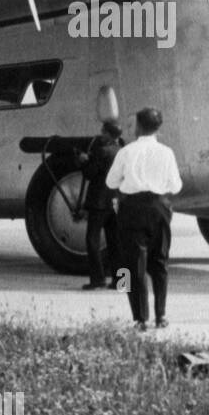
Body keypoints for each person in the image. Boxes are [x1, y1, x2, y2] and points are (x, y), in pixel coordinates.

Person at [105, 106, 183, 330]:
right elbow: (176, 185)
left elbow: (111, 182)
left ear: (138, 126)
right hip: (160, 208)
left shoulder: (127, 151)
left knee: (132, 265)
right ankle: (161, 316)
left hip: (132, 209)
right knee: (160, 263)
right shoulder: (167, 152)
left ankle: (140, 318)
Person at [78, 119, 123, 289]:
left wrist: (83, 161)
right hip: (117, 201)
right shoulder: (122, 152)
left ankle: (97, 279)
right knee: (117, 242)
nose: (101, 134)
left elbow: (90, 173)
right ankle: (122, 282)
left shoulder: (101, 151)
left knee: (93, 240)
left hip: (99, 202)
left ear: (108, 134)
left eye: (103, 132)